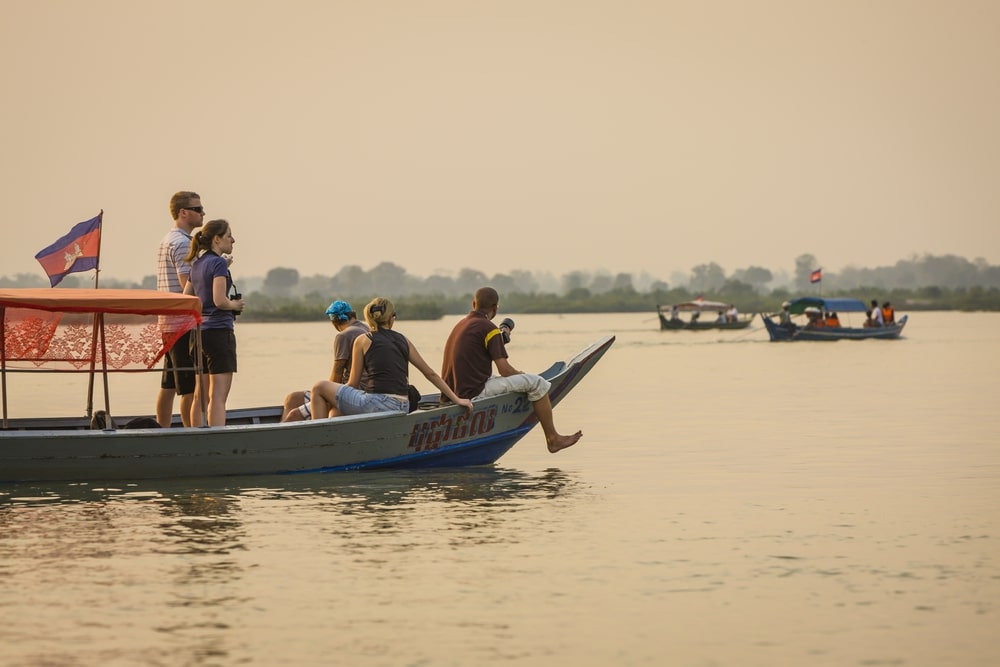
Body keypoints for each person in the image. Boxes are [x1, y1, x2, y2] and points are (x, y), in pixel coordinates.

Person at [441, 287, 583, 453]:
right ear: (495, 308)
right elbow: (505, 370)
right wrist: (522, 375)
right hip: (473, 392)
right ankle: (553, 439)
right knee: (536, 383)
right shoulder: (489, 328)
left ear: (474, 304)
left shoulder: (461, 324)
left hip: (452, 393)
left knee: (516, 380)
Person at [309, 297, 472, 420]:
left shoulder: (362, 340)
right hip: (403, 404)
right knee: (336, 411)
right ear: (391, 318)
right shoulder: (403, 340)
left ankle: (318, 439)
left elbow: (353, 384)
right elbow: (430, 373)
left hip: (376, 404)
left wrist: (332, 397)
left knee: (318, 387)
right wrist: (457, 399)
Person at [183, 219, 245, 427]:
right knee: (218, 397)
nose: (233, 240)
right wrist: (235, 305)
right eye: (229, 236)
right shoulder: (217, 263)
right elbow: (220, 301)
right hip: (219, 333)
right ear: (217, 239)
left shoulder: (197, 264)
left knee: (200, 395)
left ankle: (195, 435)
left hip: (198, 334)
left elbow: (187, 299)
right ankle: (217, 438)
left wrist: (222, 269)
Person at [154, 191, 205, 427]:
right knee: (188, 387)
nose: (203, 213)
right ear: (183, 213)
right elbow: (188, 286)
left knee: (169, 384)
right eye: (198, 209)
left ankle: (161, 430)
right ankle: (190, 433)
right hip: (182, 323)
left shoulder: (167, 240)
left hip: (166, 321)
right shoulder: (184, 243)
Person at [281, 300, 370, 422]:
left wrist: (323, 395)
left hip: (351, 392)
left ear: (334, 322)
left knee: (293, 415)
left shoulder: (344, 335)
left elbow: (336, 376)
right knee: (292, 399)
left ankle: (278, 440)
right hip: (363, 390)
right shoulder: (366, 328)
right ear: (353, 315)